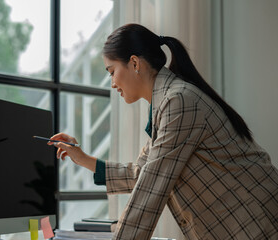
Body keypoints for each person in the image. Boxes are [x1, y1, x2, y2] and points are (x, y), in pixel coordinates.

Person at [48, 24, 278, 239]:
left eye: (111, 71)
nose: (112, 83)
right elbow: (144, 174)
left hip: (258, 224)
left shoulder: (179, 101)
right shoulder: (168, 104)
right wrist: (84, 159)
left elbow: (151, 187)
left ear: (135, 63)